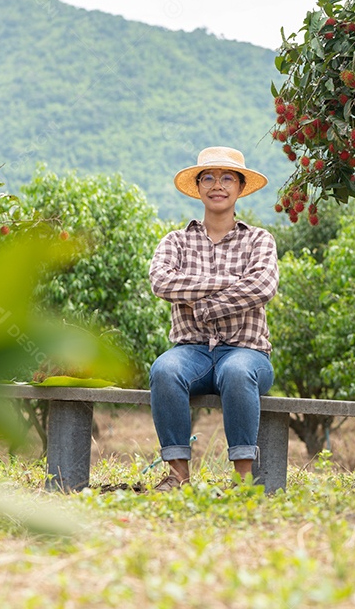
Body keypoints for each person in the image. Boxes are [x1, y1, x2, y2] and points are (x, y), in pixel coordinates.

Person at [147, 146, 279, 491]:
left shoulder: (258, 240)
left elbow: (263, 285)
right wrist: (228, 284)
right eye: (208, 178)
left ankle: (242, 479)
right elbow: (162, 281)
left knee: (236, 372)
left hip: (247, 352)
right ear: (199, 187)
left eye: (226, 178)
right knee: (165, 369)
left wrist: (203, 306)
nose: (216, 185)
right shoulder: (176, 241)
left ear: (239, 187)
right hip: (192, 351)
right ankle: (178, 475)